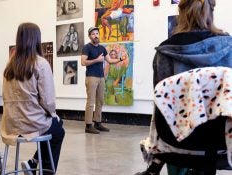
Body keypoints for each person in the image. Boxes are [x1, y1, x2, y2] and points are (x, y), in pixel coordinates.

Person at [135, 0, 232, 174]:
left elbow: (161, 103)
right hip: (221, 139)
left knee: (173, 118)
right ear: (211, 12)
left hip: (176, 140)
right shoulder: (228, 47)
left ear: (181, 14)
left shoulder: (164, 52)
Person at [1, 22, 65, 175]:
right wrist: (52, 113)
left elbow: (4, 95)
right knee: (58, 130)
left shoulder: (10, 65)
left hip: (10, 124)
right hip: (32, 122)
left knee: (54, 126)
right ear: (37, 39)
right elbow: (48, 102)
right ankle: (44, 170)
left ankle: (34, 162)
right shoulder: (41, 63)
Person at [81, 27, 124, 134]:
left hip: (101, 78)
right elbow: (83, 62)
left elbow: (109, 60)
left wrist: (120, 59)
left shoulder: (102, 48)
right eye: (93, 34)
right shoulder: (87, 47)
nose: (95, 35)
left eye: (97, 33)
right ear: (90, 36)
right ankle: (88, 125)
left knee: (100, 101)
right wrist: (97, 60)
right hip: (91, 77)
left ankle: (98, 123)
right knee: (91, 102)